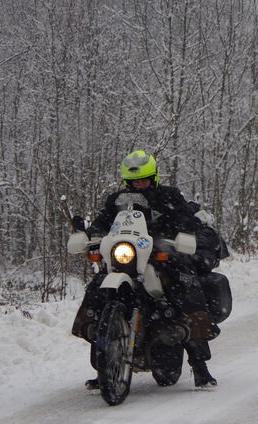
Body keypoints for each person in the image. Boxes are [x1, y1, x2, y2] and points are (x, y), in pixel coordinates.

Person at [71, 150, 226, 388]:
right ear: (127, 181)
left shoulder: (169, 196)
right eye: (134, 181)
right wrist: (91, 234)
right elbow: (102, 222)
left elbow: (186, 219)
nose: (139, 185)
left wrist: (185, 231)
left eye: (144, 180)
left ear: (153, 178)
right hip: (127, 258)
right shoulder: (117, 201)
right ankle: (100, 352)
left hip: (161, 256)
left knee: (184, 288)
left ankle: (199, 365)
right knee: (97, 289)